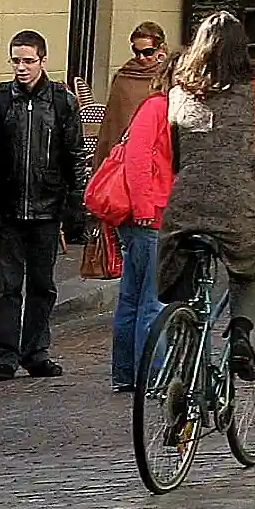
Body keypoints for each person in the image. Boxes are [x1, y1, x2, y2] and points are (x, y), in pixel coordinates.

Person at [159, 11, 255, 383]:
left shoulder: (179, 92)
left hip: (185, 205)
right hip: (238, 205)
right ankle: (240, 333)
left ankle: (183, 340)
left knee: (180, 276)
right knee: (252, 265)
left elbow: (174, 153)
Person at [0, 29, 86, 381]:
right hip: (9, 207)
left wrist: (74, 203)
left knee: (42, 286)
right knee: (8, 286)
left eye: (27, 60)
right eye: (16, 60)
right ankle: (5, 355)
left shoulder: (61, 102)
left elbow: (74, 154)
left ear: (42, 60)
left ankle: (36, 350)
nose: (21, 67)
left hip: (46, 206)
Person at [109, 51, 176, 394]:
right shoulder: (157, 108)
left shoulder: (160, 108)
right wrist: (145, 207)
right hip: (148, 216)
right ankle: (152, 375)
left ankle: (126, 373)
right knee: (151, 300)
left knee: (133, 297)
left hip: (145, 214)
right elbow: (137, 159)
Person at [92, 21, 168, 170]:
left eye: (147, 52)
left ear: (161, 49)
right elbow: (112, 124)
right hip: (124, 156)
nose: (141, 57)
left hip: (158, 155)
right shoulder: (124, 76)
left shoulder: (169, 77)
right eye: (136, 51)